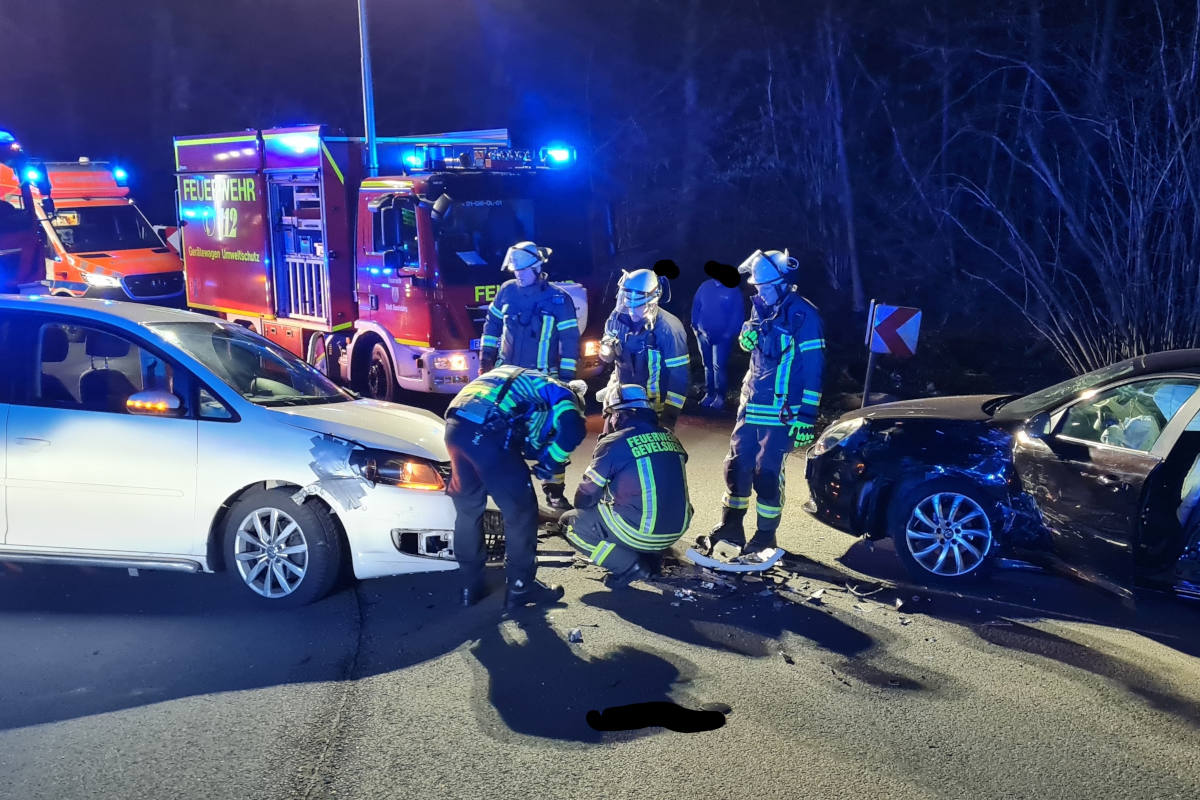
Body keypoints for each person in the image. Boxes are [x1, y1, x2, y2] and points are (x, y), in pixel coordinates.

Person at [704, 249, 825, 560]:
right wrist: (747, 333)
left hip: (782, 413)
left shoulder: (804, 316)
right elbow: (758, 346)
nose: (760, 292)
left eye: (765, 287)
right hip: (750, 406)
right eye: (757, 287)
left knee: (767, 474)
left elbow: (814, 368)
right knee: (736, 466)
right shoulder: (762, 307)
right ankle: (731, 527)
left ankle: (765, 536)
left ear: (785, 284)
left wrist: (807, 416)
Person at [445, 366, 588, 609]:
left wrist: (541, 453)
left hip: (456, 428)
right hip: (488, 433)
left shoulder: (518, 383)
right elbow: (573, 427)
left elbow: (524, 437)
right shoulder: (560, 391)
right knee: (521, 513)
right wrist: (552, 461)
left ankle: (471, 586)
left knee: (468, 512)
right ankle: (521, 587)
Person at [479, 241, 582, 510]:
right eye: (515, 270)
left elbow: (570, 342)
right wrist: (485, 360)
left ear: (537, 267)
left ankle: (554, 492)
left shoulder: (559, 299)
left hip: (543, 384)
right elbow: (491, 326)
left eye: (523, 270)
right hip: (508, 381)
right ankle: (506, 494)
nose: (518, 275)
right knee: (502, 435)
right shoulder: (506, 292)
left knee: (550, 437)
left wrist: (567, 381)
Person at [561, 384, 693, 587]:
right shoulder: (670, 437)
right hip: (676, 529)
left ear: (619, 415)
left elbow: (584, 497)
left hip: (642, 532)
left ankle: (628, 566)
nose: (608, 421)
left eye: (609, 415)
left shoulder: (615, 442)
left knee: (571, 524)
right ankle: (651, 558)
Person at [598, 268, 690, 430]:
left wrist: (669, 417)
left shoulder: (668, 329)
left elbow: (679, 376)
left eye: (638, 306)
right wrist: (608, 351)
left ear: (652, 302)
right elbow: (607, 356)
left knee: (647, 452)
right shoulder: (616, 318)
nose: (632, 312)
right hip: (620, 400)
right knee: (608, 445)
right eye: (628, 305)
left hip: (652, 407)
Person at [691, 261, 745, 411]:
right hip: (702, 333)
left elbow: (737, 313)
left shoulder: (732, 289)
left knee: (718, 366)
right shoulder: (705, 286)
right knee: (707, 365)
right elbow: (696, 305)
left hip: (722, 336)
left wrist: (729, 332)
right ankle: (710, 394)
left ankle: (720, 397)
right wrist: (695, 325)